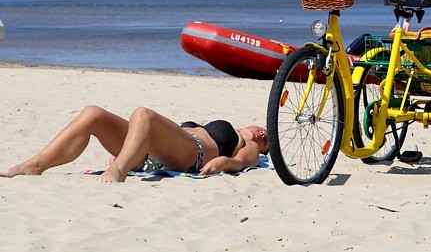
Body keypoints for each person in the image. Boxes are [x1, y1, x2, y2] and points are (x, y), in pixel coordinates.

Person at [0, 106, 268, 182]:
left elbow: (242, 162)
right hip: (151, 153)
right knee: (94, 114)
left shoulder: (246, 143)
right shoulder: (232, 125)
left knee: (144, 114)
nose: (262, 133)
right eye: (263, 130)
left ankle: (119, 171)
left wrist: (225, 163)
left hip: (192, 155)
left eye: (265, 138)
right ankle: (35, 165)